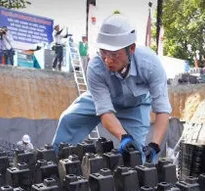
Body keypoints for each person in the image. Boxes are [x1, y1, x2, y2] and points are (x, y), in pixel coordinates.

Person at [51, 14, 171, 164]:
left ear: (131, 49)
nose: (108, 60)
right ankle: (54, 163)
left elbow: (162, 110)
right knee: (68, 119)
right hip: (102, 99)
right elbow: (104, 111)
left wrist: (155, 145)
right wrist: (123, 137)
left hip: (135, 106)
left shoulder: (151, 65)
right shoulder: (95, 67)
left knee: (136, 154)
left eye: (114, 54)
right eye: (104, 52)